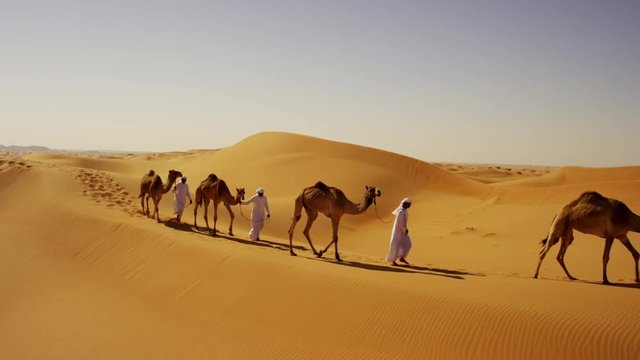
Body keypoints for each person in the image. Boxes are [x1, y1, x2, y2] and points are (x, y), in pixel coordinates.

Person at [386, 197, 412, 266]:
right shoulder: (400, 212)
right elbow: (399, 223)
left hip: (403, 231)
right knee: (395, 245)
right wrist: (404, 230)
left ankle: (401, 257)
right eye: (409, 204)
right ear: (405, 204)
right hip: (398, 231)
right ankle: (392, 261)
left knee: (407, 244)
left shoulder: (405, 211)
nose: (410, 205)